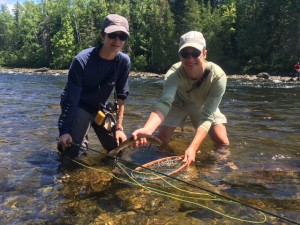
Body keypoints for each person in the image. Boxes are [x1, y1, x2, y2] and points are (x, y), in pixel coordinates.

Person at [132, 31, 229, 166]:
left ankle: (223, 168)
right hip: (177, 104)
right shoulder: (173, 73)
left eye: (195, 53)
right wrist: (148, 129)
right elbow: (165, 103)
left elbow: (207, 116)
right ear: (180, 56)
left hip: (202, 106)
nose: (190, 59)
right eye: (185, 54)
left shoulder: (218, 76)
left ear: (205, 53)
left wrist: (193, 147)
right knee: (161, 141)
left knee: (223, 143)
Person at [57, 14, 130, 160]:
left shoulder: (123, 62)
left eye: (122, 36)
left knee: (118, 147)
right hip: (79, 106)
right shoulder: (81, 60)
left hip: (99, 108)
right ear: (103, 36)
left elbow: (121, 96)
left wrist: (120, 128)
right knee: (75, 153)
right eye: (112, 35)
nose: (117, 40)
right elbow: (71, 99)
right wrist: (64, 131)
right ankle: (65, 149)